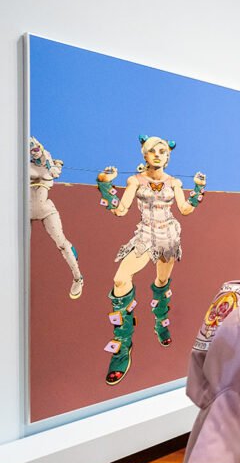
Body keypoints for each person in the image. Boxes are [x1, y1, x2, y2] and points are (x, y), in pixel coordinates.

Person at [96, 135, 206, 385]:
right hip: (145, 234)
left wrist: (198, 188)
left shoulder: (175, 182)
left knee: (162, 281)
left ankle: (160, 323)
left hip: (168, 235)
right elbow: (120, 210)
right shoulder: (134, 180)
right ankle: (123, 345)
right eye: (152, 151)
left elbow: (185, 209)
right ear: (144, 155)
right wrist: (104, 183)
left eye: (163, 151)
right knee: (120, 279)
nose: (158, 155)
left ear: (168, 156)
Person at [29, 137, 84, 299]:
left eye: (36, 149)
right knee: (21, 246)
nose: (34, 153)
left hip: (45, 209)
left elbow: (53, 170)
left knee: (61, 243)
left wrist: (53, 166)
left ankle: (78, 278)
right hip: (26, 211)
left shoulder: (49, 165)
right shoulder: (24, 167)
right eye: (31, 151)